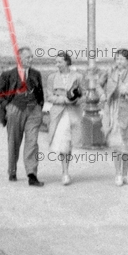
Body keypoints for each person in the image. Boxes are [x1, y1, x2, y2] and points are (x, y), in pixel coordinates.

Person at [0, 47, 45, 186]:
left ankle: (32, 175)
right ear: (19, 58)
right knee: (13, 142)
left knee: (32, 142)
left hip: (33, 111)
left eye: (31, 57)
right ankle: (12, 170)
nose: (31, 59)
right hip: (15, 110)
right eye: (28, 57)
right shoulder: (7, 75)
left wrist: (39, 107)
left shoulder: (36, 74)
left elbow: (41, 94)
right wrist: (8, 107)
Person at [99, 48, 128, 187]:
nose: (118, 61)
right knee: (117, 144)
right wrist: (102, 94)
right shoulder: (109, 71)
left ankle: (125, 174)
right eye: (117, 58)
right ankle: (117, 174)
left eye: (122, 59)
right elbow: (99, 84)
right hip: (113, 111)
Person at [46, 52, 84, 186]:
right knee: (63, 141)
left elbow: (82, 95)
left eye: (60, 62)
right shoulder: (52, 77)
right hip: (59, 113)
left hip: (73, 113)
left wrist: (75, 100)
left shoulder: (78, 76)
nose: (57, 65)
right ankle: (65, 172)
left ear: (67, 62)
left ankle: (66, 171)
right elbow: (49, 96)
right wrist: (64, 99)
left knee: (69, 142)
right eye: (56, 62)